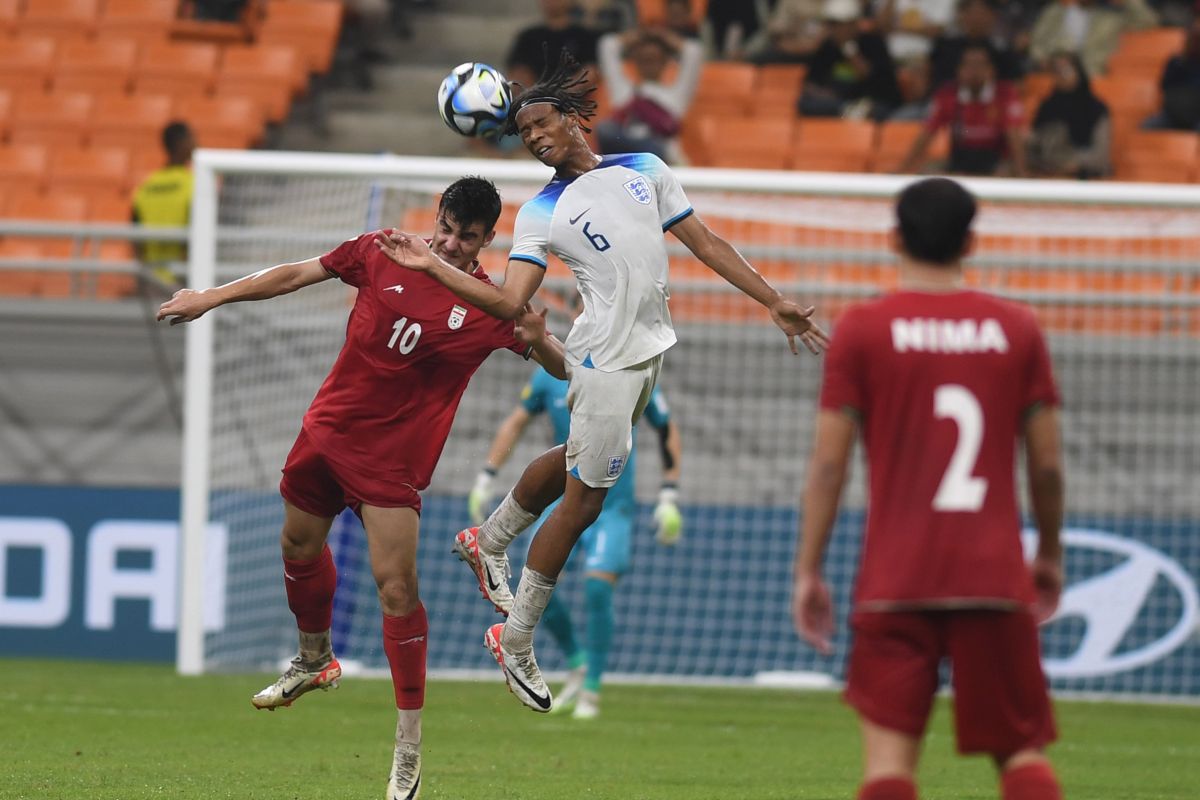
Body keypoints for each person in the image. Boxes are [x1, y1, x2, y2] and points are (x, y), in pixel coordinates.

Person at [373, 49, 829, 712]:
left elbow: (705, 243)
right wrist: (433, 266)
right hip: (603, 361)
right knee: (585, 500)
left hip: (647, 354)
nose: (532, 139)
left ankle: (488, 539)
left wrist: (772, 299)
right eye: (523, 136)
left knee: (575, 461)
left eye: (539, 127)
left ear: (570, 117)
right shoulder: (541, 212)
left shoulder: (646, 169)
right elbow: (507, 301)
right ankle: (517, 634)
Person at [156, 177, 566, 800]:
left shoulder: (490, 305)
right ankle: (314, 659)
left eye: (468, 239)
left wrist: (546, 345)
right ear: (438, 219)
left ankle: (408, 748)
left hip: (391, 465)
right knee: (297, 547)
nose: (451, 246)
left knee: (397, 589)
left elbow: (558, 364)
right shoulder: (381, 249)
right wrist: (211, 297)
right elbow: (298, 273)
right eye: (447, 231)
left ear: (487, 242)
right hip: (327, 433)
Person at [793, 177, 1065, 800]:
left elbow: (828, 467)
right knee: (1021, 754)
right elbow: (1047, 467)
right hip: (992, 575)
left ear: (895, 239)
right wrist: (1048, 553)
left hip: (897, 578)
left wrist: (809, 569)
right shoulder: (1017, 328)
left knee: (889, 769)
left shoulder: (863, 329)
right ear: (971, 241)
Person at [469, 301, 684, 719]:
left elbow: (666, 428)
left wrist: (670, 493)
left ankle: (592, 689)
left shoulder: (635, 366)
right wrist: (486, 474)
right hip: (566, 503)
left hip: (611, 506)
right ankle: (574, 660)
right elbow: (516, 420)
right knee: (535, 589)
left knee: (597, 588)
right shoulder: (555, 371)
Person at [899, 45, 1026, 175]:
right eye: (969, 65)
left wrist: (1022, 173)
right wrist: (903, 170)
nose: (974, 71)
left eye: (980, 65)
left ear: (991, 70)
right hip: (959, 160)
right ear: (959, 70)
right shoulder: (947, 95)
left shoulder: (1005, 94)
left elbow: (1013, 135)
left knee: (1005, 173)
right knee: (928, 173)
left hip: (995, 160)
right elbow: (927, 133)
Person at [595, 26, 704, 162]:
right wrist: (641, 34)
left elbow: (693, 52)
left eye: (654, 59)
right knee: (605, 128)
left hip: (660, 156)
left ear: (665, 62)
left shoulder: (677, 95)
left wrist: (661, 35)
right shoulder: (623, 90)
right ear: (635, 61)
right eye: (643, 59)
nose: (648, 65)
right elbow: (607, 45)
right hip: (624, 153)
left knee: (655, 147)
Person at [799, 0, 904, 121]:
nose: (834, 29)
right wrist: (825, 95)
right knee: (805, 104)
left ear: (853, 23)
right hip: (839, 102)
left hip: (873, 100)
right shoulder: (827, 47)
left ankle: (850, 111)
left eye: (838, 24)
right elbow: (810, 83)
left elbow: (874, 80)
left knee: (877, 110)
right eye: (831, 24)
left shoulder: (874, 42)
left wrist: (849, 49)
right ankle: (848, 110)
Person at [1027, 52, 1111, 178]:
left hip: (1084, 175)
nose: (1061, 75)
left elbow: (1100, 155)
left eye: (1066, 69)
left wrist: (1073, 163)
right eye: (1056, 70)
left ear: (1078, 71)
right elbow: (1035, 147)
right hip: (1046, 173)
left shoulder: (1096, 108)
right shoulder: (1047, 106)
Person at [132, 121, 195, 287]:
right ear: (181, 143)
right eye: (192, 138)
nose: (196, 143)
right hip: (183, 279)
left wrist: (142, 275)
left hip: (151, 279)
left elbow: (135, 233)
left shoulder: (147, 186)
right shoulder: (193, 184)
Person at [1028, 0, 1156, 77]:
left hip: (1091, 73)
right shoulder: (1055, 11)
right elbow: (1036, 40)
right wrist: (1041, 58)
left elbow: (1147, 21)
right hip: (1054, 72)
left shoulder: (1110, 18)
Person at [927, 0, 1023, 92]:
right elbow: (932, 77)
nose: (976, 18)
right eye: (971, 12)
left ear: (994, 16)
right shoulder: (945, 46)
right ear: (962, 15)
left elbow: (1015, 85)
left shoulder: (1003, 52)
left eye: (982, 13)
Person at [1144, 19, 1200, 132]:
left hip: (1197, 116)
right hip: (1173, 115)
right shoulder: (1176, 62)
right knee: (1148, 126)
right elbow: (1164, 86)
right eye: (1195, 38)